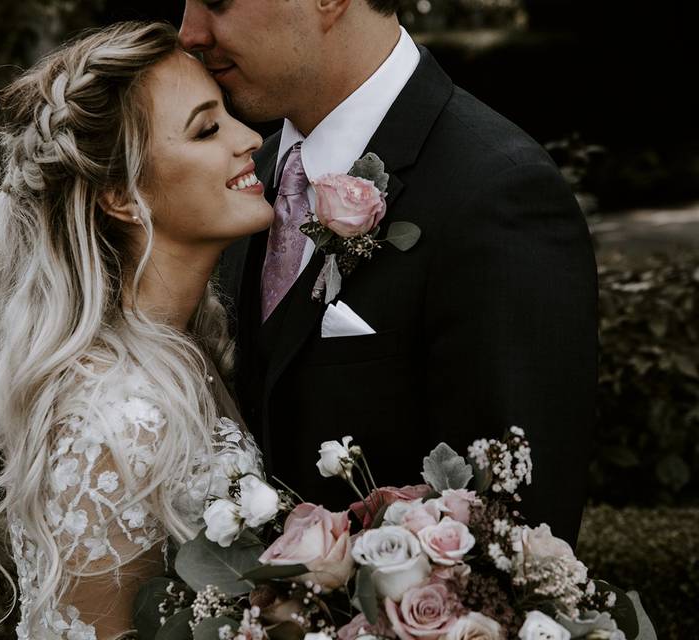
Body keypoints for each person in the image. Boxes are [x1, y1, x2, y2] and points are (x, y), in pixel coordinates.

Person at [179, 0, 598, 547]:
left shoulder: (498, 193)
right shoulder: (242, 181)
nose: (189, 31)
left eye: (216, 1)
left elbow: (515, 532)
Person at [0, 21, 273, 639]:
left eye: (228, 115)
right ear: (122, 195)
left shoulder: (187, 352)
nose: (251, 138)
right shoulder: (115, 422)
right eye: (207, 129)